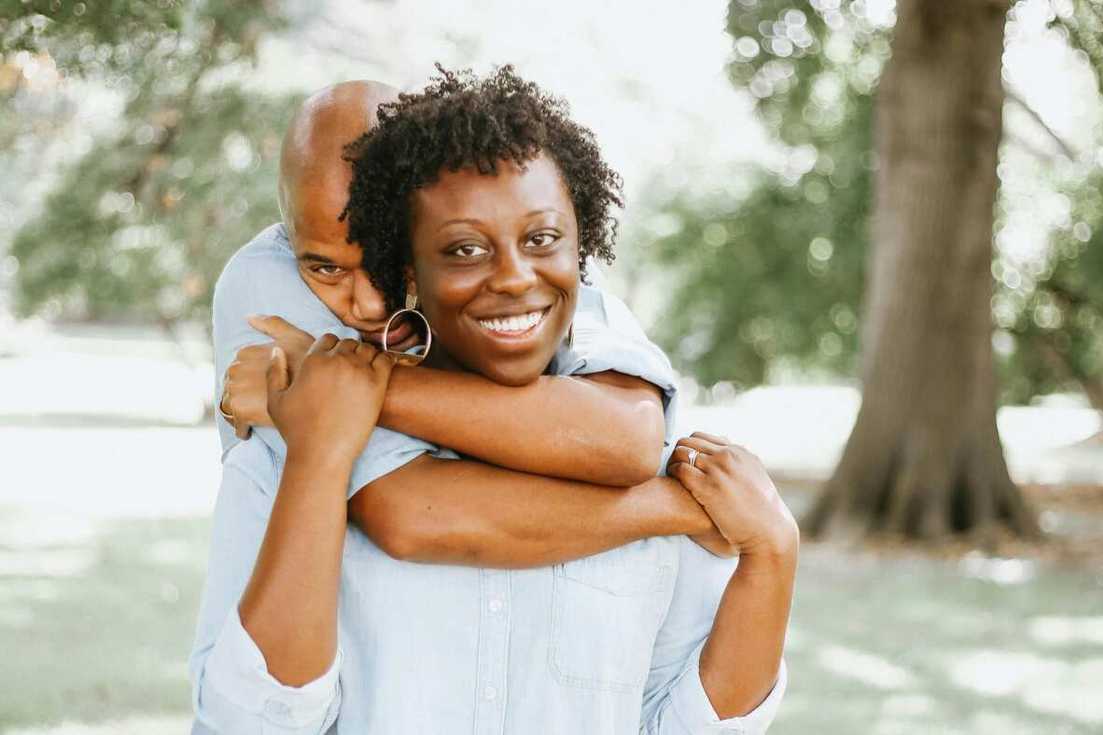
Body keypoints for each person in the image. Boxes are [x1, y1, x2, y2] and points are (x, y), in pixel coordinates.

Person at [190, 67, 796, 734]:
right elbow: (400, 518)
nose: (364, 304)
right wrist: (322, 423)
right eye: (328, 268)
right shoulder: (278, 429)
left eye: (536, 242)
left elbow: (684, 721)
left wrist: (338, 382)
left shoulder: (644, 421)